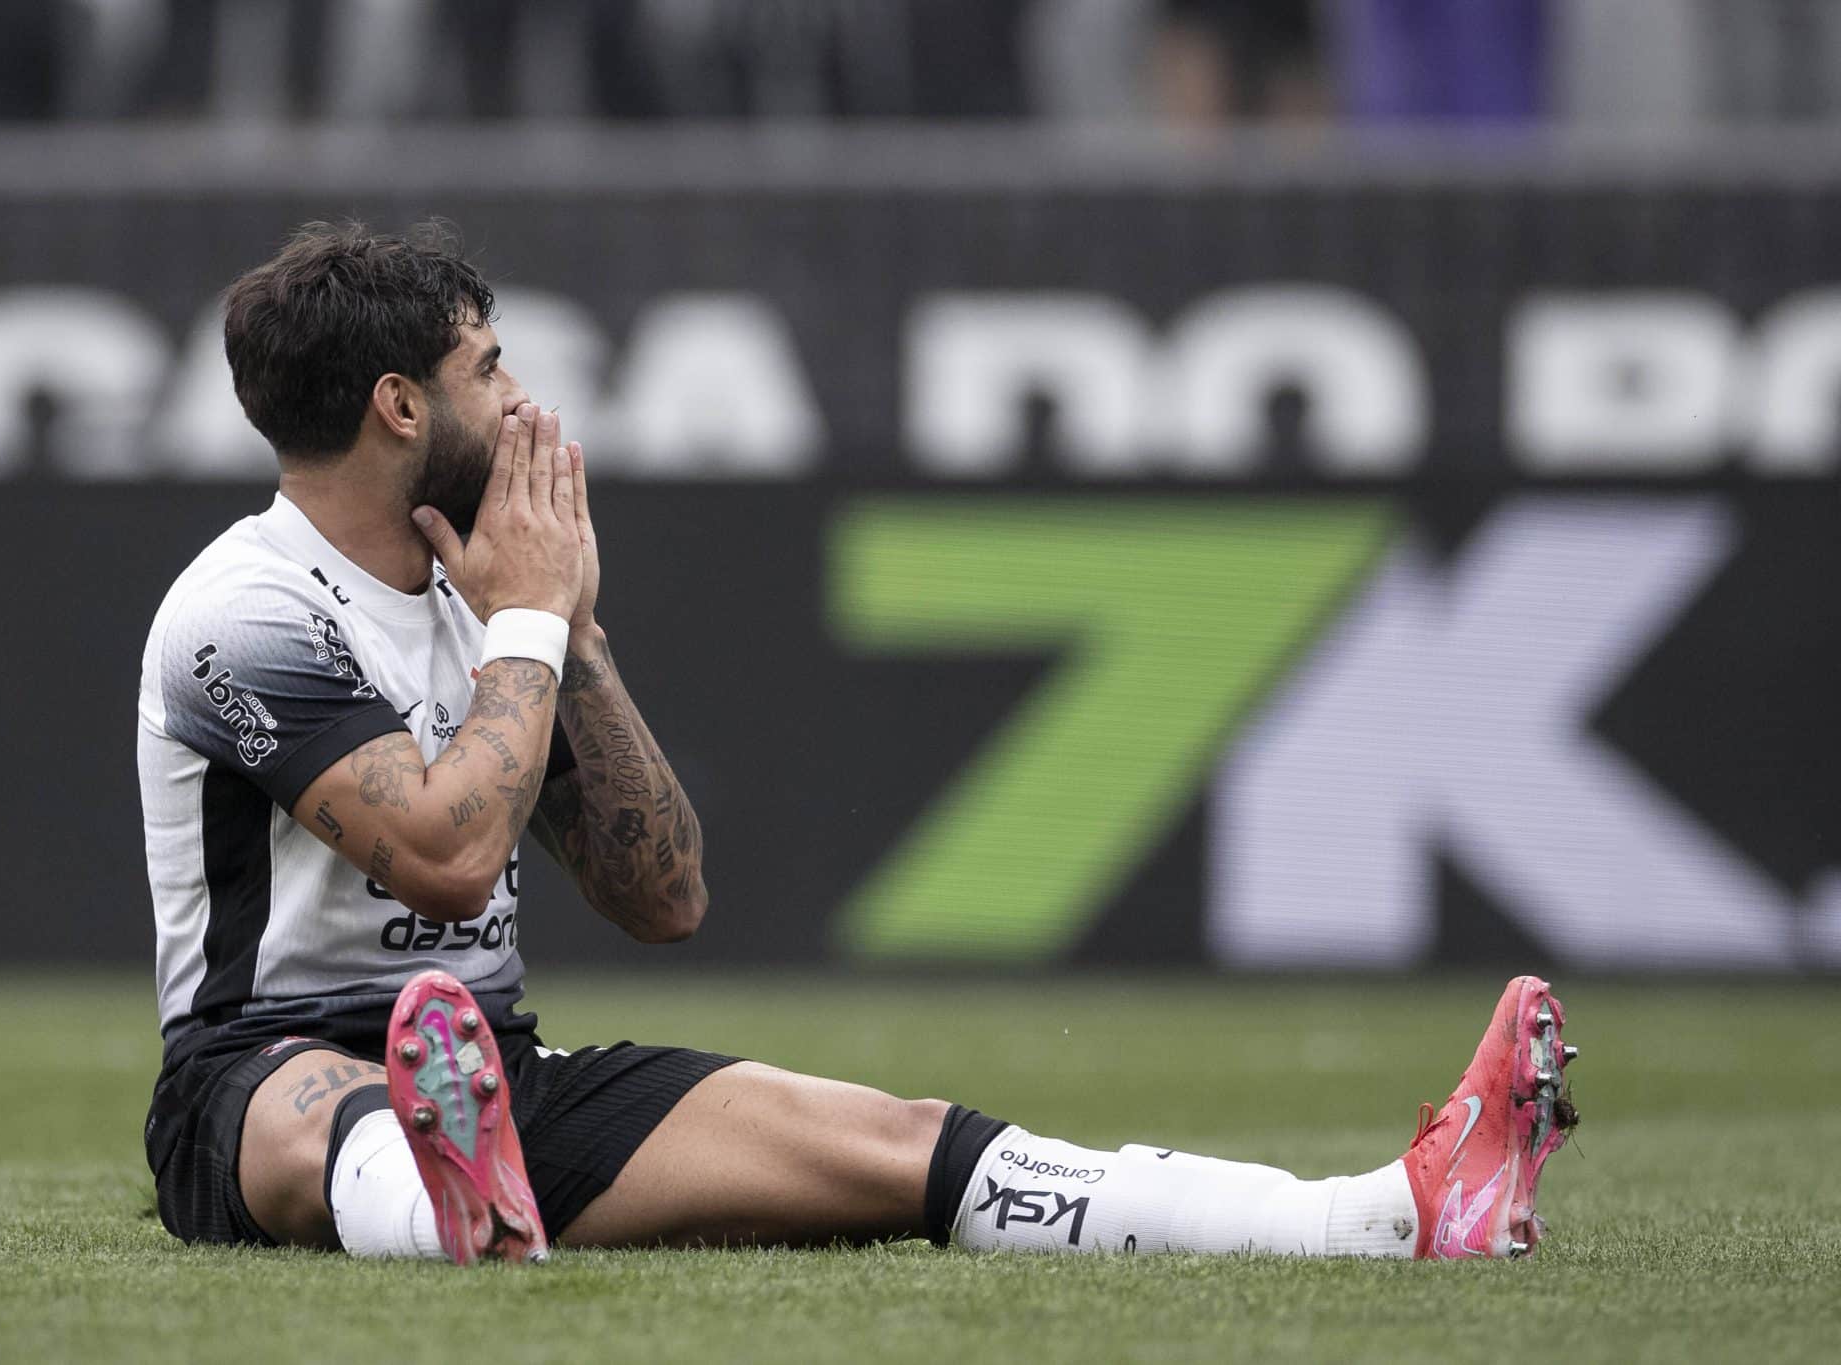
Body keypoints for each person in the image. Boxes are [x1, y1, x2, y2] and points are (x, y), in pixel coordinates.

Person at [137, 220, 1577, 1264]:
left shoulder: (496, 594)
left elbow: (663, 897)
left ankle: (1379, 1215)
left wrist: (574, 638)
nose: (524, 405)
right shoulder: (242, 613)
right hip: (255, 1071)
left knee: (898, 1142)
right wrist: (526, 622)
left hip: (499, 1074)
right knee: (326, 1115)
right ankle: (442, 1208)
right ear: (399, 406)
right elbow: (448, 860)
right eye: (489, 370)